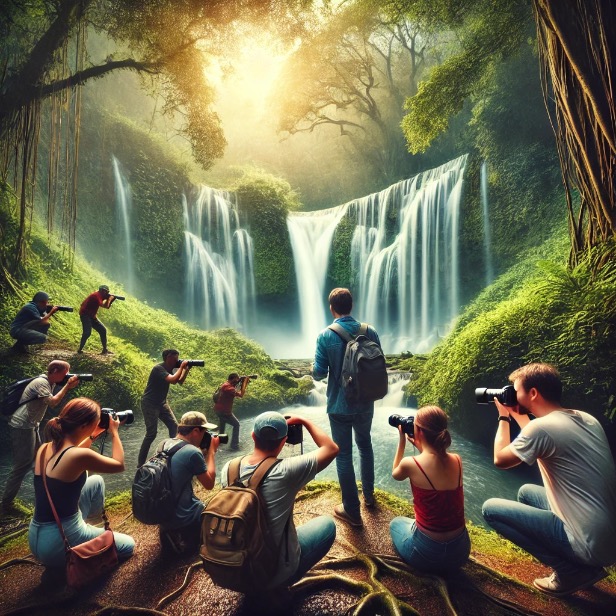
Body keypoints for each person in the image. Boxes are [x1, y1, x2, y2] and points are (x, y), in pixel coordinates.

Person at [482, 363, 616, 597]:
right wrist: (519, 415)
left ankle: (569, 571)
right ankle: (584, 564)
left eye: (516, 390)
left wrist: (503, 418)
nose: (514, 395)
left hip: (588, 541)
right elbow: (538, 435)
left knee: (491, 509)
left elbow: (500, 459)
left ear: (533, 393)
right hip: (606, 537)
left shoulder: (542, 428)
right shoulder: (585, 418)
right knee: (526, 491)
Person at [220, 411, 339, 591]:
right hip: (271, 574)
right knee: (327, 526)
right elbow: (331, 448)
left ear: (253, 436)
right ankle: (277, 588)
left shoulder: (229, 468)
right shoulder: (286, 471)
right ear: (284, 441)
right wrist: (304, 420)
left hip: (233, 569)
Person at [28, 397, 134, 574]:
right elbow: (119, 464)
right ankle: (77, 548)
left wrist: (93, 434)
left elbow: (70, 454)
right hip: (59, 540)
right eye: (96, 421)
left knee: (95, 482)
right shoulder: (79, 456)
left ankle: (84, 534)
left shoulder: (44, 448)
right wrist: (115, 432)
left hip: (37, 535)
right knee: (128, 545)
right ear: (84, 425)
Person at [313, 287, 381, 527]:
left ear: (331, 308)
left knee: (343, 455)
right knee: (365, 446)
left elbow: (319, 373)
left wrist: (318, 367)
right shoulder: (369, 330)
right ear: (351, 305)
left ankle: (352, 510)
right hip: (366, 401)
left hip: (339, 404)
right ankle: (370, 497)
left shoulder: (326, 335)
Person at [390, 406, 470, 573]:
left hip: (426, 553)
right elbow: (434, 457)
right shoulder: (457, 459)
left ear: (417, 431)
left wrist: (402, 440)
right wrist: (423, 446)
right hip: (460, 552)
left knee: (396, 523)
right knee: (415, 524)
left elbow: (395, 473)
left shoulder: (411, 463)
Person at [2, 361, 80, 512]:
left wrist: (66, 385)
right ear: (55, 370)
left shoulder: (49, 382)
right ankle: (6, 504)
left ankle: (46, 494)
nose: (66, 376)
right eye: (65, 373)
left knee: (39, 459)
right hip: (22, 425)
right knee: (22, 465)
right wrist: (67, 387)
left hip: (31, 425)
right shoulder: (41, 383)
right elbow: (53, 402)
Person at [157, 411, 219, 555]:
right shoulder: (192, 452)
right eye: (205, 432)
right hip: (185, 518)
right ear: (196, 431)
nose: (206, 436)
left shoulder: (163, 444)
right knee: (213, 507)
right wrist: (211, 453)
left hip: (164, 513)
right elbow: (209, 484)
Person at [137, 349, 191, 467]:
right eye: (175, 358)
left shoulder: (170, 369)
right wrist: (181, 367)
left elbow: (178, 381)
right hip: (150, 403)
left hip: (161, 403)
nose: (177, 360)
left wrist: (185, 370)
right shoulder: (158, 368)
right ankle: (140, 464)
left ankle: (172, 455)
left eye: (178, 358)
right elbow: (172, 379)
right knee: (151, 433)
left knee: (174, 427)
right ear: (168, 357)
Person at [213, 373, 250, 450]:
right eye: (236, 379)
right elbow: (241, 394)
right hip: (224, 411)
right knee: (236, 424)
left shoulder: (226, 384)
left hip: (218, 409)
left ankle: (219, 441)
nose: (237, 381)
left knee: (222, 423)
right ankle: (234, 445)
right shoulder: (229, 388)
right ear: (233, 379)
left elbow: (234, 388)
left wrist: (240, 381)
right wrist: (245, 382)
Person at [78, 285, 117, 354]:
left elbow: (106, 306)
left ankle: (105, 350)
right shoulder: (96, 296)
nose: (107, 294)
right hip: (85, 315)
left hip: (92, 316)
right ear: (102, 291)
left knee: (103, 330)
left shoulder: (100, 295)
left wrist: (110, 299)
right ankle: (80, 349)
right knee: (87, 333)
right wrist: (110, 299)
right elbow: (105, 306)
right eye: (106, 292)